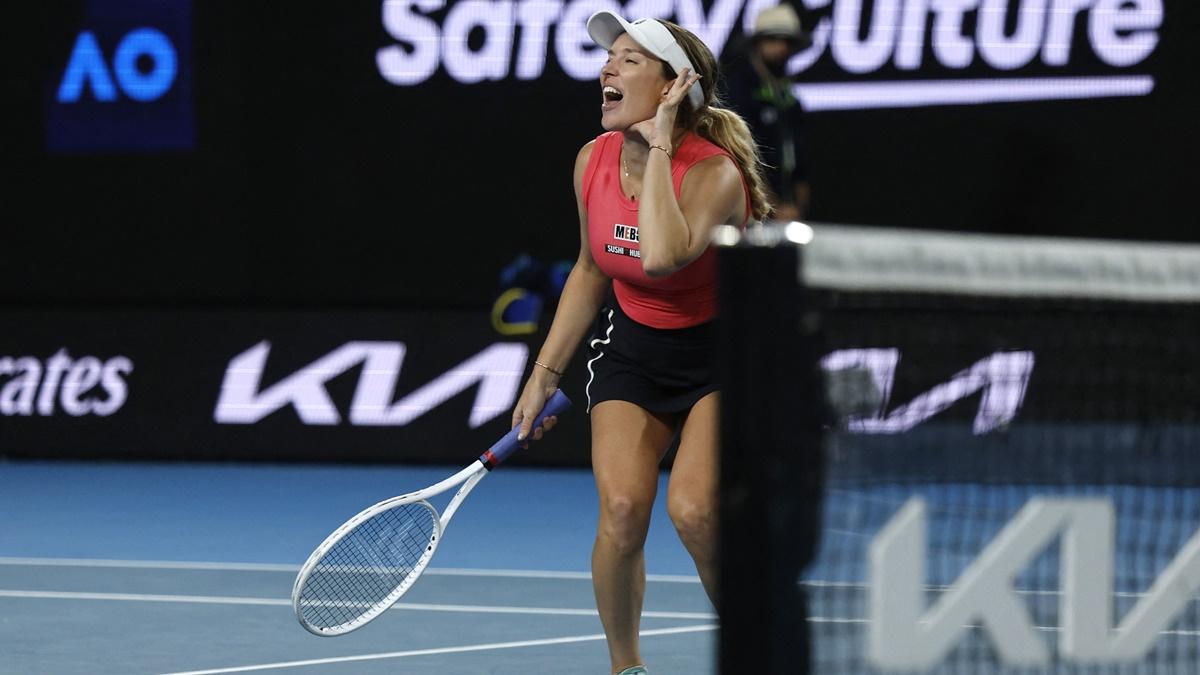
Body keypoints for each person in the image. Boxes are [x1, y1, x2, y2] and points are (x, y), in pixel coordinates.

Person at [509, 12, 772, 675]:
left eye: (629, 61)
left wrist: (658, 145)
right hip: (634, 350)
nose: (608, 69)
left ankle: (758, 647)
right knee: (623, 511)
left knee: (696, 513)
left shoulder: (714, 174)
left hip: (723, 358)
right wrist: (544, 372)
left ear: (673, 86)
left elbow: (659, 256)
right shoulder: (590, 161)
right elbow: (593, 267)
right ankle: (626, 668)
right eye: (609, 59)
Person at [724, 4, 812, 221]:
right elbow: (741, 155)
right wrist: (772, 206)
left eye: (788, 41)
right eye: (773, 39)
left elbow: (801, 159)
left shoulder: (789, 97)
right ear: (757, 43)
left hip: (788, 213)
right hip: (749, 210)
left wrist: (797, 208)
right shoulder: (739, 90)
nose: (781, 47)